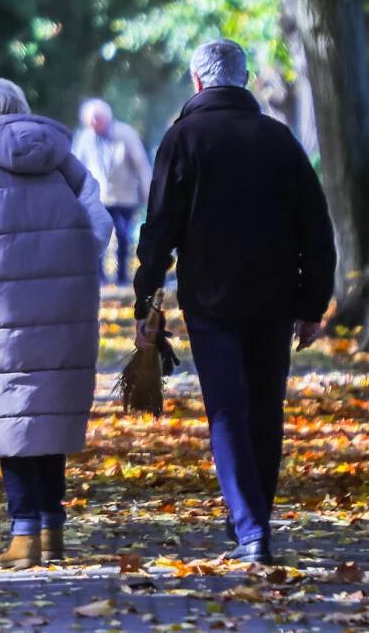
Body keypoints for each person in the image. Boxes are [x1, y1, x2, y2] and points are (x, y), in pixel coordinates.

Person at [132, 39, 336, 564]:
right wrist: (311, 304)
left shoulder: (183, 139)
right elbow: (316, 227)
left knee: (226, 408)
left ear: (197, 82)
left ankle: (250, 528)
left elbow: (159, 229)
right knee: (266, 408)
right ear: (244, 81)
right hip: (274, 296)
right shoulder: (279, 140)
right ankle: (253, 519)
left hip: (211, 298)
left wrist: (145, 298)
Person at [0, 78, 112, 569]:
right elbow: (99, 227)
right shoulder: (65, 164)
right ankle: (53, 530)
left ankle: (23, 534)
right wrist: (67, 264)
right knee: (50, 418)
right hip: (64, 310)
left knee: (12, 418)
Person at [71, 98, 151, 286]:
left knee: (123, 235)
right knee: (97, 235)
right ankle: (98, 276)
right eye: (91, 121)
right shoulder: (84, 138)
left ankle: (122, 275)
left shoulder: (126, 134)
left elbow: (141, 165)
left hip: (124, 196)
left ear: (107, 118)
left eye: (98, 119)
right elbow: (75, 165)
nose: (94, 123)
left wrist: (148, 193)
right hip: (97, 197)